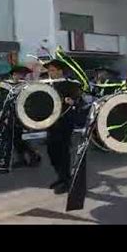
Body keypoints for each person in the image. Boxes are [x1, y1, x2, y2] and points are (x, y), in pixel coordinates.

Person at [44, 59, 82, 194]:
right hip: (51, 122)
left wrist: (72, 101)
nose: (50, 72)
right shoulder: (47, 85)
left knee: (63, 151)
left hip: (65, 122)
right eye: (49, 70)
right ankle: (60, 177)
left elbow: (79, 101)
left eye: (52, 70)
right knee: (51, 151)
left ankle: (66, 180)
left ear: (60, 71)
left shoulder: (71, 84)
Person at [9, 65, 42, 168]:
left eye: (22, 74)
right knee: (15, 139)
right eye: (18, 74)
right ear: (13, 75)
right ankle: (23, 158)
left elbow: (31, 101)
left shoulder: (26, 86)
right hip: (11, 115)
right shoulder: (8, 85)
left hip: (23, 115)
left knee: (20, 138)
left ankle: (33, 155)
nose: (20, 76)